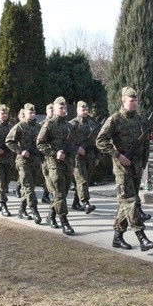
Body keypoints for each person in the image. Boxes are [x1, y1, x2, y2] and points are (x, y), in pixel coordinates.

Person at [96, 87, 153, 251]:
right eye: (131, 100)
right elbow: (101, 141)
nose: (134, 103)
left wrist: (144, 163)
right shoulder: (115, 120)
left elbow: (145, 144)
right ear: (123, 100)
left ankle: (117, 238)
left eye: (136, 100)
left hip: (136, 168)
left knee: (125, 203)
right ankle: (142, 238)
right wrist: (117, 155)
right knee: (131, 202)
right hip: (122, 167)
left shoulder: (140, 120)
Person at [37, 97, 79, 235]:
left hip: (67, 164)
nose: (64, 110)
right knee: (59, 192)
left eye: (65, 107)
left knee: (64, 192)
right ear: (54, 109)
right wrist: (55, 153)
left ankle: (51, 214)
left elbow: (72, 146)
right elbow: (40, 143)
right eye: (61, 108)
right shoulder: (48, 124)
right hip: (54, 164)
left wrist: (73, 163)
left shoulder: (69, 126)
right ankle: (64, 222)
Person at [6, 103, 43, 223]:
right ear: (25, 113)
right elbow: (9, 141)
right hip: (23, 161)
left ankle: (21, 209)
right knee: (27, 186)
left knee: (30, 187)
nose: (32, 114)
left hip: (35, 160)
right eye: (29, 112)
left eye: (33, 112)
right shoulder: (19, 126)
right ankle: (35, 210)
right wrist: (20, 151)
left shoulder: (38, 127)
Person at [69, 100, 98, 214]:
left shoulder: (91, 124)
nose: (85, 112)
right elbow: (67, 142)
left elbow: (96, 142)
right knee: (82, 180)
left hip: (90, 156)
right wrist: (76, 149)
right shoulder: (72, 124)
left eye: (86, 109)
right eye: (83, 109)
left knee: (84, 181)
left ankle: (76, 203)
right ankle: (86, 203)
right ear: (77, 110)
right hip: (77, 158)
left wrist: (97, 156)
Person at [40, 103, 55, 204]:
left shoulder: (55, 123)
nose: (52, 111)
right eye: (50, 110)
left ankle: (46, 195)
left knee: (51, 177)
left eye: (53, 109)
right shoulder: (41, 124)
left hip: (53, 155)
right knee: (48, 177)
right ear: (46, 111)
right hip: (44, 155)